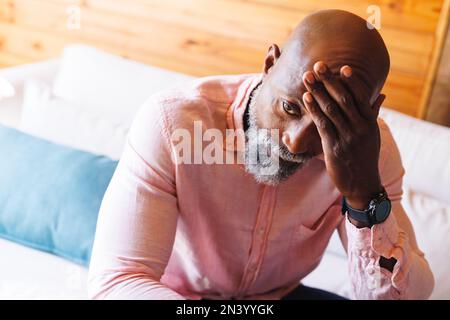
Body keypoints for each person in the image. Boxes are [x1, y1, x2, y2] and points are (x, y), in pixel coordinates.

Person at [88, 9, 434, 300]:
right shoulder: (172, 123)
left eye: (327, 125)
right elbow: (118, 282)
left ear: (372, 111)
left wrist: (363, 198)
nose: (296, 144)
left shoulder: (370, 153)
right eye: (289, 107)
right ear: (270, 63)